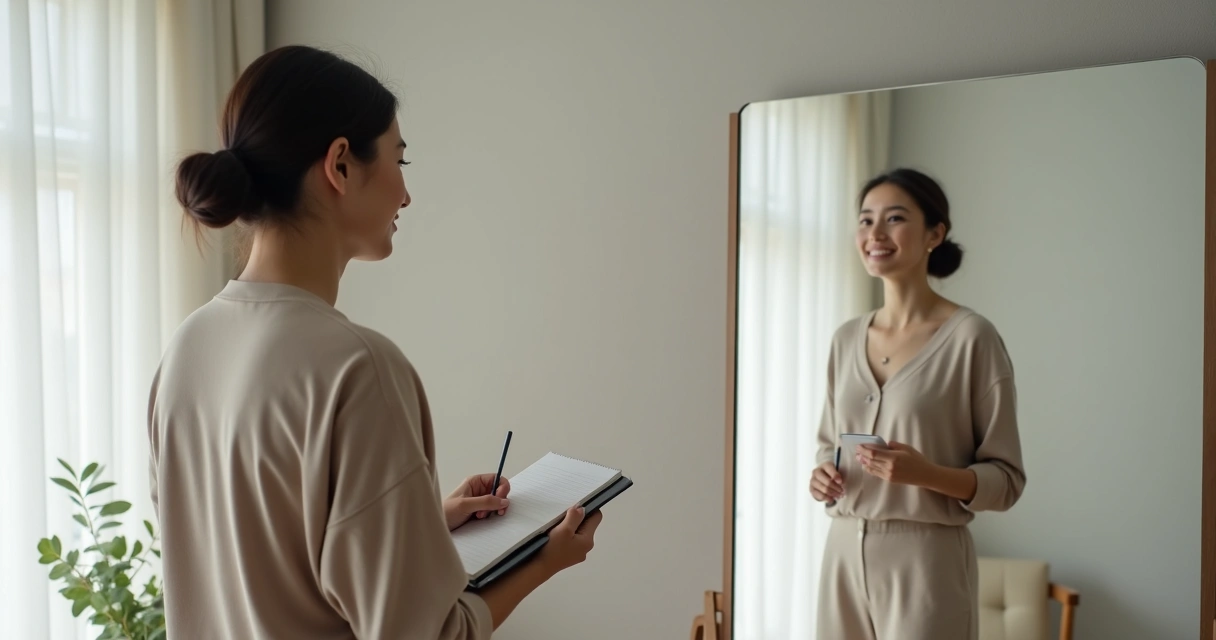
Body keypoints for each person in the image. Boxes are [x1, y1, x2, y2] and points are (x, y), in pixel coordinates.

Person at [147, 44, 602, 639]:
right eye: (400, 162)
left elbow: (256, 561)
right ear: (339, 165)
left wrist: (424, 526)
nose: (406, 195)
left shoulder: (187, 348)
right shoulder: (358, 368)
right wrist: (545, 561)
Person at [806, 168, 1026, 639]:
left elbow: (1006, 482)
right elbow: (829, 445)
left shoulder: (972, 338)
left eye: (895, 218)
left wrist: (925, 474)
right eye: (865, 220)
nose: (875, 234)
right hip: (842, 550)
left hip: (927, 557)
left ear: (935, 234)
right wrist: (823, 474)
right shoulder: (846, 338)